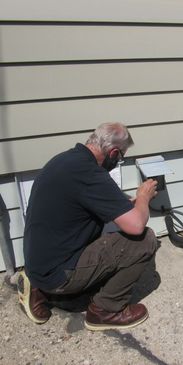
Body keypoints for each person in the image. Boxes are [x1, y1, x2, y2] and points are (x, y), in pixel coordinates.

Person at [18, 122, 158, 331]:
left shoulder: (66, 160)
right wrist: (143, 198)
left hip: (39, 263)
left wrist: (125, 205)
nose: (118, 162)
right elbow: (136, 225)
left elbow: (83, 203)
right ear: (113, 152)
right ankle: (106, 310)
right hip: (58, 274)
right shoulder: (91, 175)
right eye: (120, 157)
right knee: (145, 240)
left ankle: (40, 290)